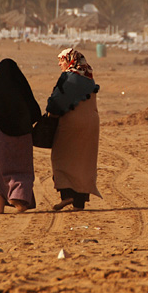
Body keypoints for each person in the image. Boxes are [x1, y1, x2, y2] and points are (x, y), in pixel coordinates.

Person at [0, 59, 41, 214]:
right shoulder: (22, 88)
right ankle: (18, 197)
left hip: (0, 136)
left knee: (1, 171)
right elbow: (35, 112)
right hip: (23, 136)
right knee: (23, 169)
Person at [46, 48, 101, 211]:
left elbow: (56, 102)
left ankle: (67, 194)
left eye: (61, 60)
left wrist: (49, 113)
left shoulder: (68, 77)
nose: (59, 64)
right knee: (84, 161)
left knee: (62, 157)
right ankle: (79, 202)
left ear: (70, 60)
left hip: (71, 124)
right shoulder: (88, 77)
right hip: (90, 124)